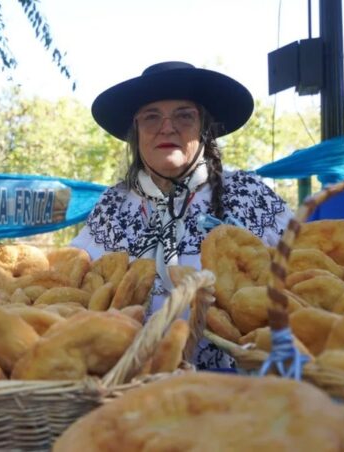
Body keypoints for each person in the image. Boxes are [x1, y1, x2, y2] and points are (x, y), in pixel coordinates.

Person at [70, 61, 294, 369]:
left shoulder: (248, 194)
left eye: (184, 115)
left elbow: (302, 273)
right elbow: (75, 280)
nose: (167, 127)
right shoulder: (114, 205)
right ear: (136, 131)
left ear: (205, 128)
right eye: (151, 117)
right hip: (128, 385)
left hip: (237, 390)